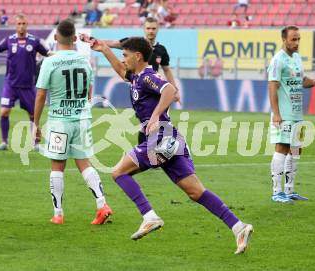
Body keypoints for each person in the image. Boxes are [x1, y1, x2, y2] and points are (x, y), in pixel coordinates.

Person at [81, 34, 253, 254]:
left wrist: (154, 116)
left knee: (118, 173)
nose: (122, 59)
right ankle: (239, 227)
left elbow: (170, 90)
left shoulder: (147, 77)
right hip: (170, 138)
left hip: (160, 137)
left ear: (138, 56)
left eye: (125, 55)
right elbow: (121, 70)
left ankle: (149, 216)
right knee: (195, 192)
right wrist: (104, 49)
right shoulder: (136, 77)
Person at [34, 20, 112, 225]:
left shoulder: (49, 62)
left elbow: (41, 94)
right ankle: (102, 205)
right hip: (81, 120)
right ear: (75, 39)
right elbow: (89, 94)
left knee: (57, 166)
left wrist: (36, 123)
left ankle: (58, 214)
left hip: (60, 121)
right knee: (84, 162)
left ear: (56, 38)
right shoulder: (85, 62)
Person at [0, 14, 51, 150]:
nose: (21, 26)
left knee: (33, 115)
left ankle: (36, 143)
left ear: (27, 25)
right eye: (19, 24)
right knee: (4, 112)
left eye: (24, 23)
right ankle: (4, 142)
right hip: (11, 84)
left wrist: (63, 55)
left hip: (27, 85)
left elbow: (48, 53)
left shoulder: (35, 41)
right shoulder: (9, 40)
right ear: (15, 25)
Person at [103, 17, 178, 145]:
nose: (151, 31)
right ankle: (149, 152)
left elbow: (166, 70)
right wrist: (99, 43)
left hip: (154, 88)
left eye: (153, 28)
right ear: (144, 28)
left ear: (158, 29)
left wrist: (175, 89)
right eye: (148, 28)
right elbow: (114, 43)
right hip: (138, 84)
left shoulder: (161, 50)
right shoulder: (135, 44)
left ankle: (155, 151)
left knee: (157, 122)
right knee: (145, 122)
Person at [267, 25, 315, 203]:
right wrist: (276, 113)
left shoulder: (297, 58)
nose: (297, 42)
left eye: (298, 39)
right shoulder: (278, 60)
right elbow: (272, 87)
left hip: (297, 114)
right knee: (281, 148)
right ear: (284, 40)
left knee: (296, 150)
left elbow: (301, 81)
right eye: (293, 39)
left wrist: (312, 82)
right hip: (284, 114)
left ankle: (290, 190)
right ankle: (277, 191)